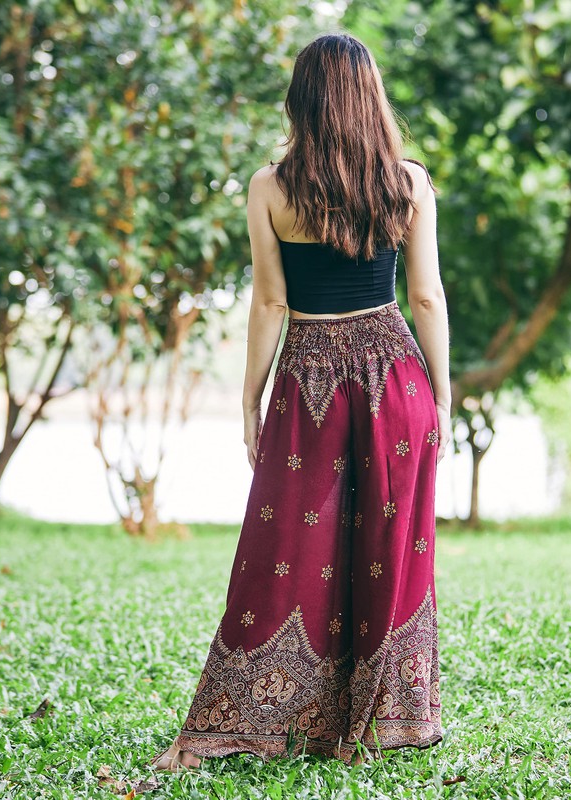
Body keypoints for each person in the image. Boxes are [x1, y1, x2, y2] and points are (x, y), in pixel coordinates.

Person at [149, 30, 451, 771]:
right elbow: (425, 297)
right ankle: (378, 724)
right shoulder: (409, 182)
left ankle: (256, 718)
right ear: (371, 98)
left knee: (285, 546)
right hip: (395, 377)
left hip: (307, 380)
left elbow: (269, 303)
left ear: (301, 99)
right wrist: (443, 395)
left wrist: (248, 398)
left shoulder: (270, 187)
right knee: (390, 549)